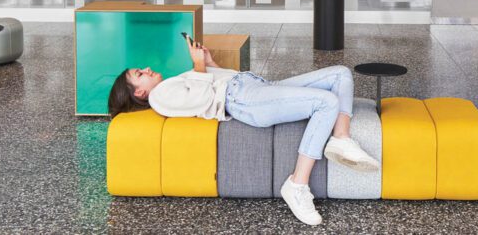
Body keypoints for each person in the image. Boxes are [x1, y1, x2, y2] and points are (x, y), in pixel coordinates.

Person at [109, 36, 379, 227]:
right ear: (140, 92)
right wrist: (198, 66)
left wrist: (209, 62)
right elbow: (202, 98)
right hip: (245, 100)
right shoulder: (160, 97)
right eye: (139, 73)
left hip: (255, 87)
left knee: (340, 74)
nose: (146, 69)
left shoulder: (169, 85)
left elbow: (211, 81)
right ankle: (297, 184)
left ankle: (341, 139)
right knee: (326, 101)